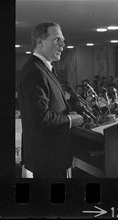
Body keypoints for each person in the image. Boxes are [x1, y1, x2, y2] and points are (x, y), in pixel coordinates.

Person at [18, 22, 83, 178]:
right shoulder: (34, 71)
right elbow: (40, 117)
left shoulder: (45, 68)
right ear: (40, 42)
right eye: (57, 39)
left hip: (53, 156)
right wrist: (69, 119)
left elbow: (50, 105)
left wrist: (67, 113)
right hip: (47, 157)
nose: (63, 44)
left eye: (63, 40)